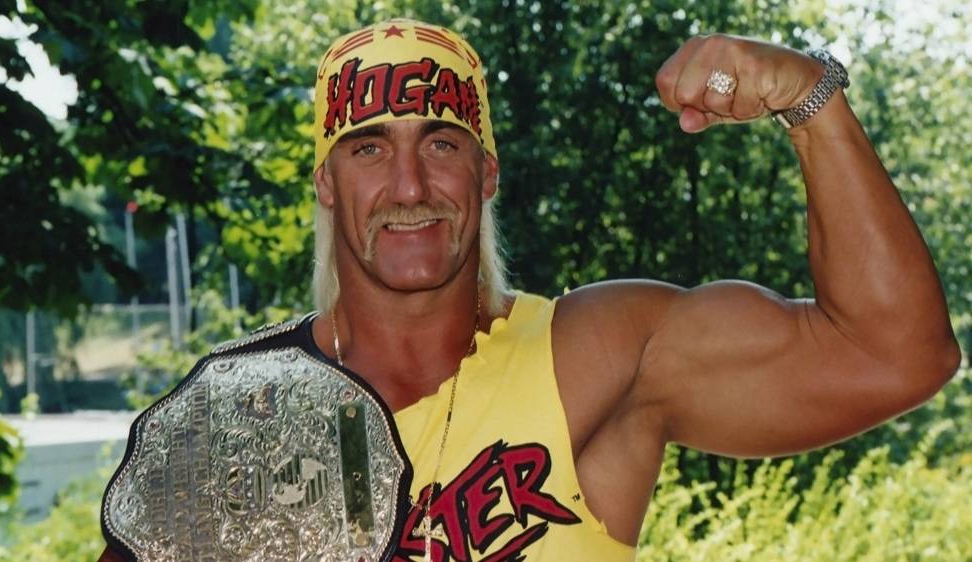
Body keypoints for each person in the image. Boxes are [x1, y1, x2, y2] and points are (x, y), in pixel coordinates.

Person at [99, 18, 960, 562]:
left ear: (486, 175)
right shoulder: (237, 414)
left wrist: (810, 99)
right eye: (369, 149)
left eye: (441, 145)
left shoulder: (596, 357)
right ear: (328, 183)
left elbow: (894, 355)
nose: (409, 186)